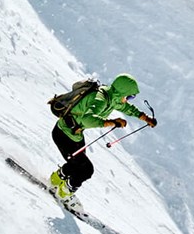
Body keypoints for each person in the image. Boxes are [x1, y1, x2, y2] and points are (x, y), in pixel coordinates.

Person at [49, 73, 156, 204]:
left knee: (77, 164)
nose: (129, 99)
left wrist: (145, 118)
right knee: (86, 170)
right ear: (122, 93)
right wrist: (112, 122)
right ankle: (64, 194)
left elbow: (127, 108)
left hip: (73, 135)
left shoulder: (112, 98)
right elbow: (87, 119)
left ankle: (55, 181)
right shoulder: (101, 99)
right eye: (130, 96)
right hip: (64, 135)